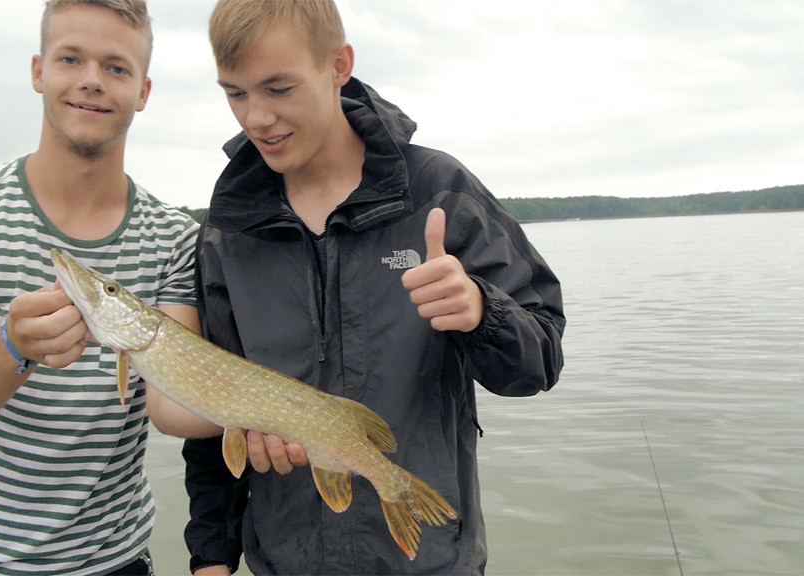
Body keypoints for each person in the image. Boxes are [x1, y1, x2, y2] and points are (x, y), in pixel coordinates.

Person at [180, 0, 566, 574]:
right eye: (235, 94)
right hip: (282, 562)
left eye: (278, 88)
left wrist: (483, 312)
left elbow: (540, 363)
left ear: (340, 65)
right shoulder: (227, 229)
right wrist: (210, 557)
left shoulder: (440, 192)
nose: (255, 117)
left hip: (432, 560)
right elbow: (212, 398)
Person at [0, 1, 219, 574]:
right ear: (39, 71)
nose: (92, 80)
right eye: (72, 59)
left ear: (142, 91)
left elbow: (170, 405)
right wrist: (11, 346)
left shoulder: (176, 238)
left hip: (110, 561)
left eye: (117, 67)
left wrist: (278, 412)